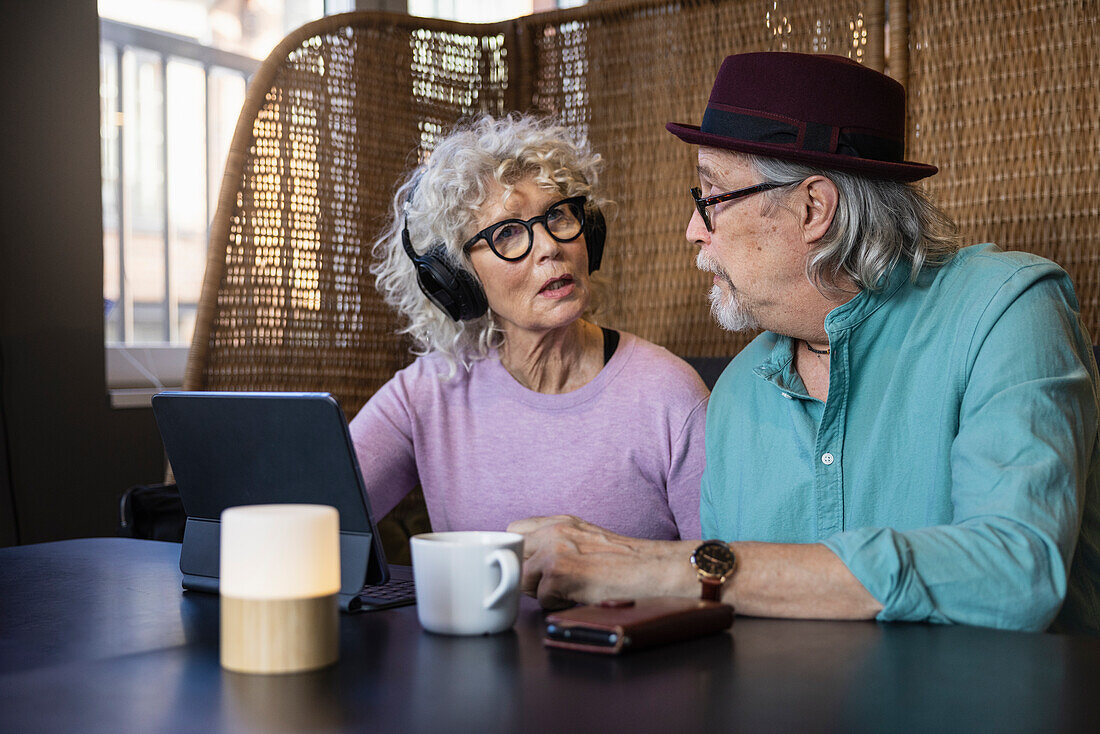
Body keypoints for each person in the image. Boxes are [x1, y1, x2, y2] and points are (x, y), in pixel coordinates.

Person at [510, 52, 1100, 633]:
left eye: (708, 197)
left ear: (814, 207)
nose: (693, 230)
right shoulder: (738, 390)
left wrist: (666, 567)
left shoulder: (1007, 311)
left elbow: (1013, 576)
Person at [349, 113, 707, 541]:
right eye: (507, 234)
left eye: (558, 216)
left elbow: (717, 577)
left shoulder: (670, 395)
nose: (551, 246)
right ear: (457, 278)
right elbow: (316, 513)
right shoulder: (426, 393)